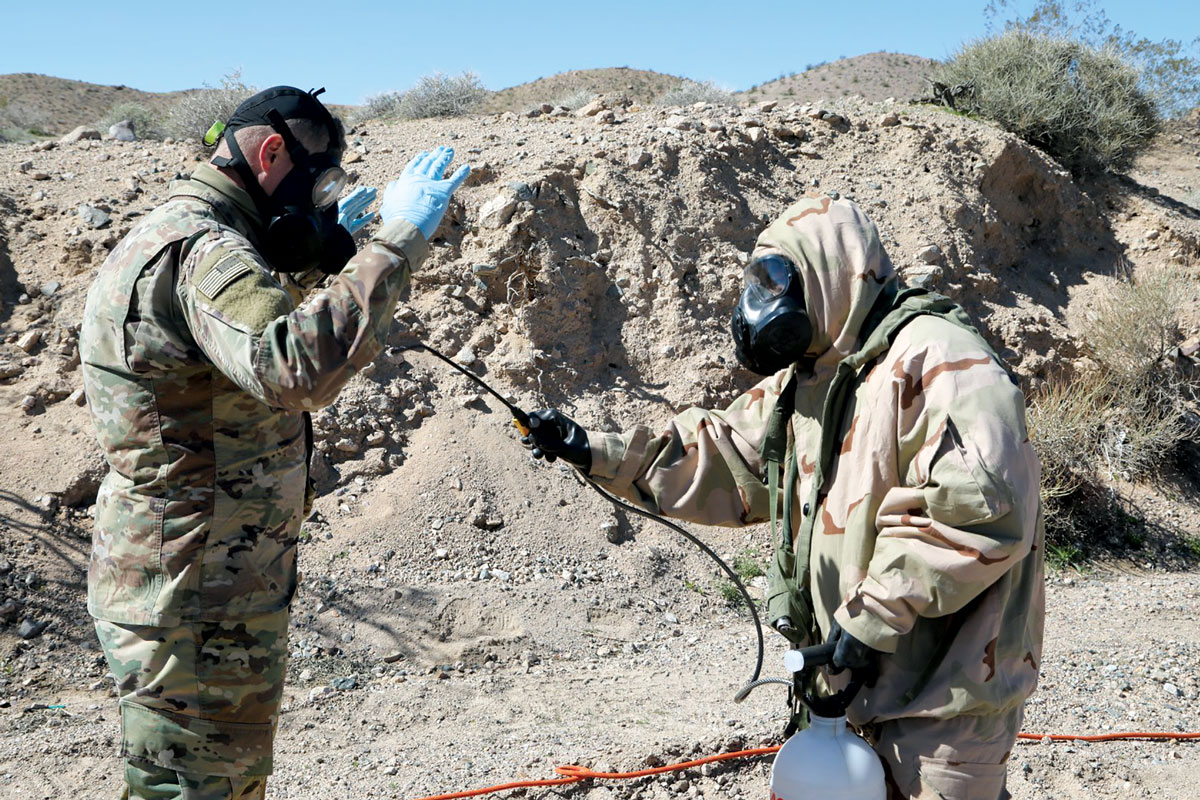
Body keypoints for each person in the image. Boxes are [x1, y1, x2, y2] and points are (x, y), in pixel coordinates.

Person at [523, 195, 1044, 800]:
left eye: (779, 279)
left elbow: (982, 507)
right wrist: (592, 450)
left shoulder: (942, 359)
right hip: (852, 684)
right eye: (761, 280)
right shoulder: (815, 375)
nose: (766, 300)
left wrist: (874, 614)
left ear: (830, 271)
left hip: (940, 700)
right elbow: (723, 456)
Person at [79, 85, 469, 800]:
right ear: (270, 153)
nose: (317, 204)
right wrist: (393, 245)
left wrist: (296, 270)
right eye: (319, 182)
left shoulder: (183, 236)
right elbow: (291, 370)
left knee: (192, 784)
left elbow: (213, 374)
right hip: (198, 594)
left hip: (196, 579)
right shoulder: (207, 252)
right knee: (200, 789)